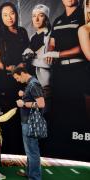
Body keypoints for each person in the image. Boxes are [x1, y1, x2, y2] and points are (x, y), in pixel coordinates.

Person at [43, 0, 88, 157]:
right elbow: (53, 43)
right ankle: (63, 153)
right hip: (60, 72)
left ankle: (80, 153)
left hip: (78, 71)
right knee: (61, 112)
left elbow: (84, 46)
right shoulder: (58, 19)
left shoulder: (84, 16)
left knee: (79, 113)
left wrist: (58, 54)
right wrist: (51, 51)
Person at [0, 2, 29, 154]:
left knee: (23, 118)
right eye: (5, 15)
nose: (9, 17)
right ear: (1, 17)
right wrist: (11, 68)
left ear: (16, 13)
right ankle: (6, 154)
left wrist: (24, 63)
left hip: (23, 81)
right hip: (6, 82)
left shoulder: (22, 32)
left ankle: (21, 154)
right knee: (7, 117)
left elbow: (27, 53)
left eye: (11, 13)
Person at [12, 66, 45, 180]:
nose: (17, 80)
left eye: (17, 78)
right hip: (27, 122)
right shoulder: (30, 84)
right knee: (29, 151)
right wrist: (24, 95)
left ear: (22, 73)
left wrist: (24, 104)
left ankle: (35, 177)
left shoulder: (33, 84)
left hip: (30, 123)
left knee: (32, 151)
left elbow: (41, 104)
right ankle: (30, 173)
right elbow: (32, 97)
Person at [23, 4, 51, 112]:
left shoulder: (50, 36)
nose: (37, 19)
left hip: (45, 83)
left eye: (41, 15)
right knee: (35, 119)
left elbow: (49, 63)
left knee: (46, 116)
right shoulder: (33, 37)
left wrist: (31, 59)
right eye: (34, 16)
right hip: (32, 83)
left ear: (46, 18)